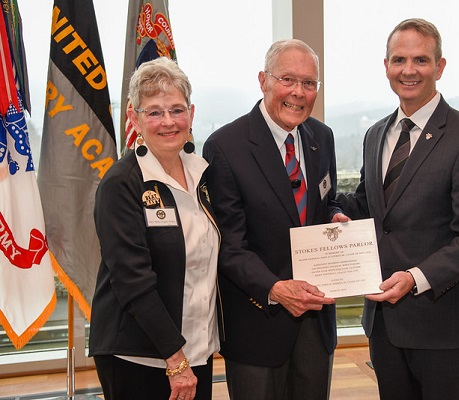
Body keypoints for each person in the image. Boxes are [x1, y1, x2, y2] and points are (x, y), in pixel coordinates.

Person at [336, 19, 459, 399]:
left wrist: (414, 277)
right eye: (399, 60)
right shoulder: (376, 133)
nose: (408, 70)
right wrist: (327, 207)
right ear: (386, 66)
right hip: (383, 323)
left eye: (420, 60)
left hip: (445, 324)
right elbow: (370, 204)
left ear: (439, 67)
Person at [202, 39, 342, 400]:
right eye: (288, 80)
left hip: (315, 322)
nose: (298, 92)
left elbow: (323, 204)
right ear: (263, 80)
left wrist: (336, 216)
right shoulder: (225, 147)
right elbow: (229, 245)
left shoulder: (321, 138)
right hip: (257, 323)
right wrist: (276, 289)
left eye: (309, 83)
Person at [89, 57, 220, 400]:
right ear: (134, 118)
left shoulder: (201, 174)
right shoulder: (121, 184)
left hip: (196, 348)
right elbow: (133, 282)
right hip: (140, 354)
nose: (168, 122)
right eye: (155, 112)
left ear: (191, 114)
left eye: (176, 110)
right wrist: (175, 361)